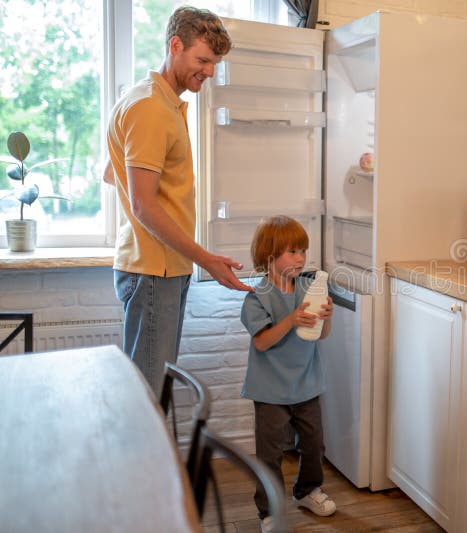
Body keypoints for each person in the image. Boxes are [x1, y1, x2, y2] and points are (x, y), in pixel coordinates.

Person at [105, 6, 253, 393]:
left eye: (214, 63)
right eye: (203, 60)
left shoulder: (154, 100)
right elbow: (143, 205)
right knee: (148, 396)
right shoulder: (151, 107)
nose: (209, 71)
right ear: (175, 45)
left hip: (162, 266)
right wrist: (207, 260)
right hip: (155, 270)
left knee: (151, 388)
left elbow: (109, 172)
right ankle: (143, 457)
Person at [240, 215, 336, 532]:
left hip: (306, 384)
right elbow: (263, 342)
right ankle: (270, 511)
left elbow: (321, 335)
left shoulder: (310, 287)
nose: (300, 258)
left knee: (314, 445)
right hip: (269, 391)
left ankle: (308, 491)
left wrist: (326, 317)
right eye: (292, 251)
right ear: (269, 256)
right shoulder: (257, 298)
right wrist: (292, 321)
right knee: (270, 454)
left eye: (303, 251)